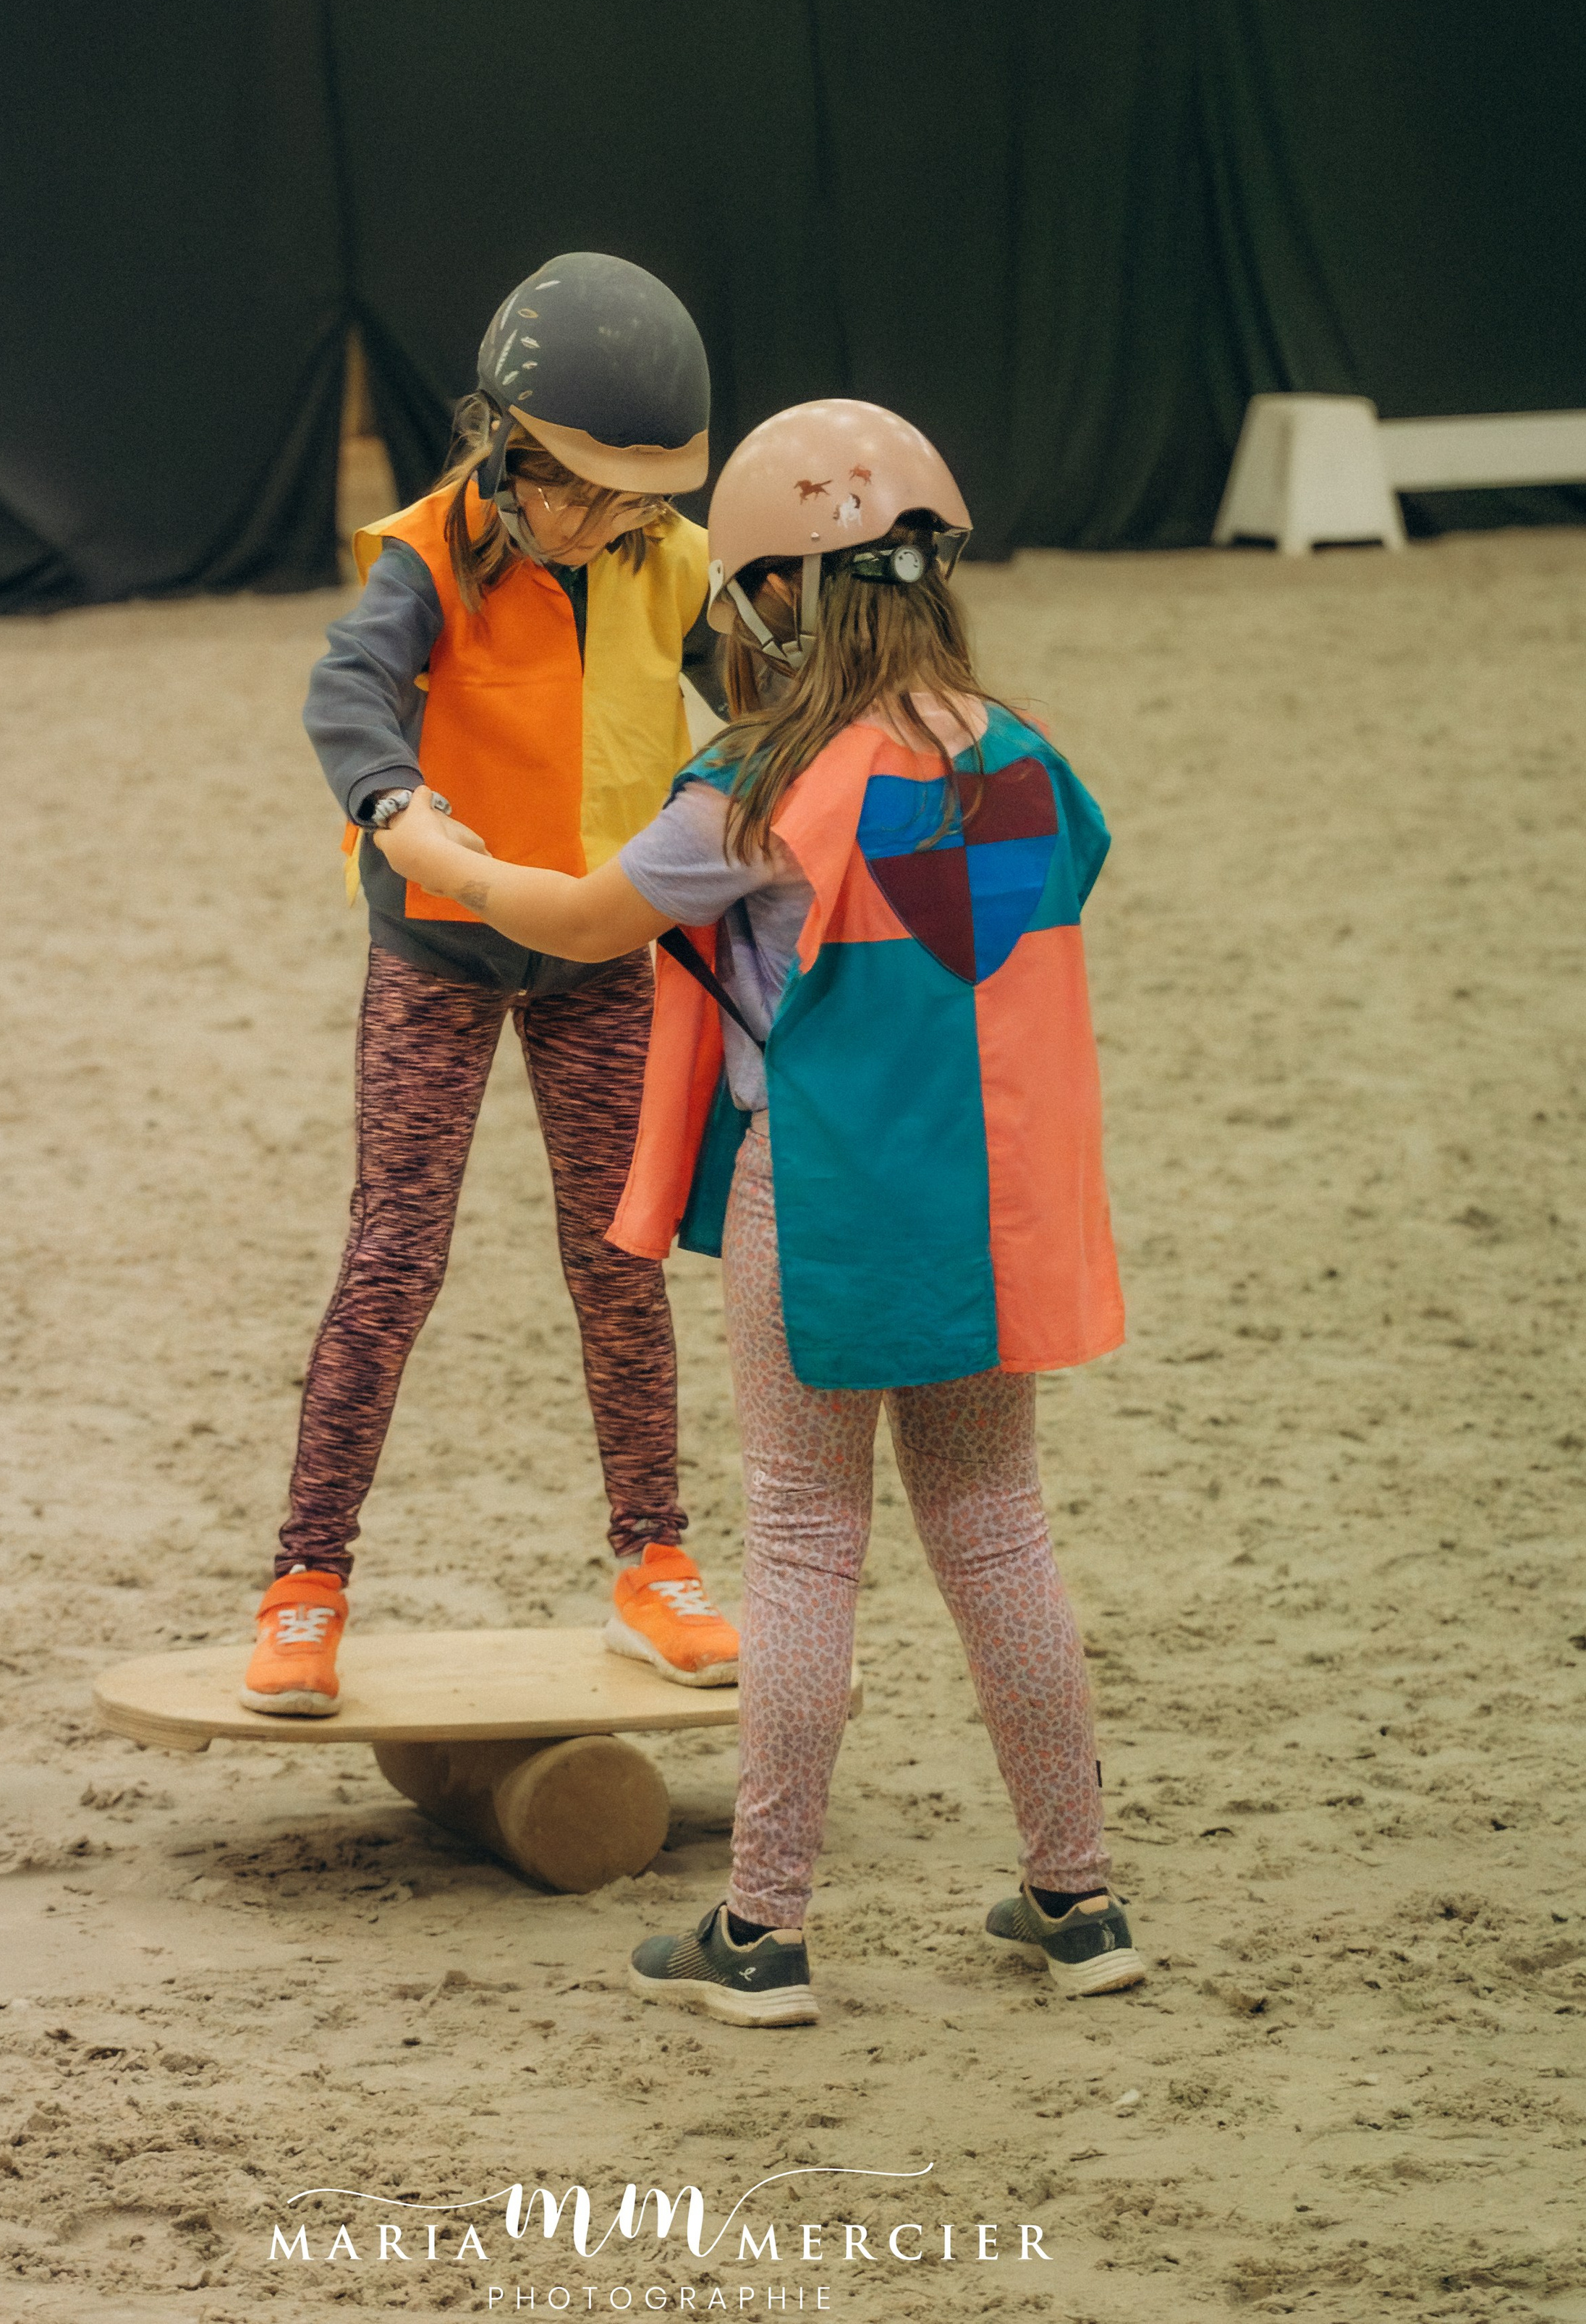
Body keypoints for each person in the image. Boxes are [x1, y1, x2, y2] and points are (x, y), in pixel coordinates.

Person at [375, 396, 1141, 2021]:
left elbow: (580, 921)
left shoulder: (758, 779)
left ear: (782, 592)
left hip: (829, 1213)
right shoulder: (1024, 757)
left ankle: (763, 1932)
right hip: (987, 1210)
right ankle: (1076, 1902)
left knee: (800, 1545)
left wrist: (426, 841)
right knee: (995, 1527)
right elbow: (1065, 878)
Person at [242, 253, 740, 1716]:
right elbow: (345, 691)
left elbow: (766, 700)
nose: (608, 523)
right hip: (440, 953)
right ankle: (305, 1583)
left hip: (599, 954)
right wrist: (394, 804)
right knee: (393, 1259)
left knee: (619, 1257)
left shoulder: (670, 561)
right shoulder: (430, 552)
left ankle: (652, 1561)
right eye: (581, 491)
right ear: (509, 452)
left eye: (637, 498)